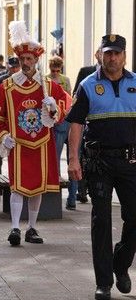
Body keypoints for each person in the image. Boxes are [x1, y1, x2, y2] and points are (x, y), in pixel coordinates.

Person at [66, 34, 136, 300]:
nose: (112, 58)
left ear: (124, 56)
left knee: (135, 217)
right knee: (101, 220)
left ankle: (121, 263)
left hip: (131, 161)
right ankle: (104, 283)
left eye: (117, 53)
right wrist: (73, 159)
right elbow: (75, 124)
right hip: (99, 162)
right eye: (108, 53)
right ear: (100, 55)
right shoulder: (87, 85)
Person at [0, 21, 69, 247]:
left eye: (29, 60)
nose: (25, 63)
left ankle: (32, 227)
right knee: (17, 186)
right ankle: (15, 227)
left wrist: (54, 107)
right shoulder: (6, 87)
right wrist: (3, 135)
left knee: (37, 187)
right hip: (19, 144)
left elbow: (65, 106)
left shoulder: (49, 86)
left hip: (42, 143)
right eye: (22, 59)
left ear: (36, 61)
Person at [71, 48, 103, 205]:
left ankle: (83, 189)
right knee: (83, 155)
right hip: (84, 122)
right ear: (97, 55)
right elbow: (75, 93)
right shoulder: (86, 72)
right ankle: (81, 190)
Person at [47, 55, 73, 208]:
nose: (55, 73)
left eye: (57, 70)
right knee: (54, 158)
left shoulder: (66, 80)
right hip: (54, 122)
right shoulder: (46, 79)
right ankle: (55, 194)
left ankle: (71, 198)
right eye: (53, 70)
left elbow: (68, 98)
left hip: (65, 120)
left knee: (72, 158)